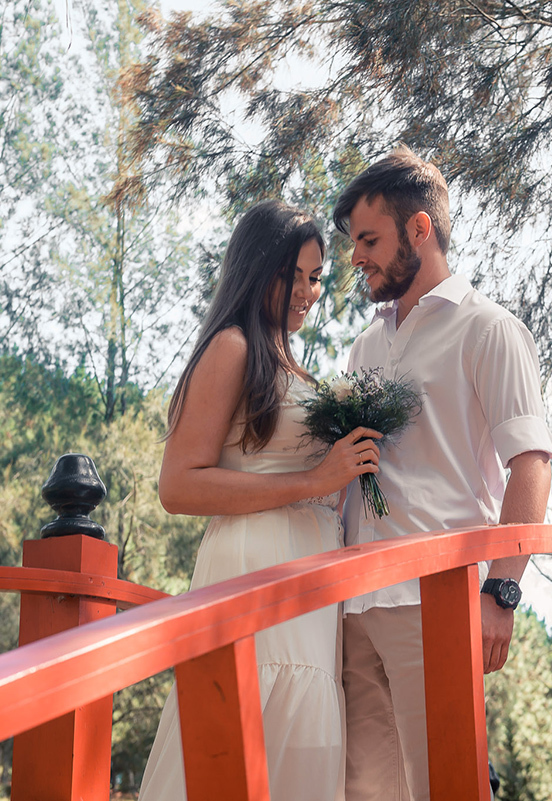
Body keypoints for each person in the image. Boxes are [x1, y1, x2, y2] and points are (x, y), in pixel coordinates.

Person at [139, 200, 381, 801]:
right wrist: (312, 481)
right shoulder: (232, 347)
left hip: (309, 582)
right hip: (253, 565)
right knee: (241, 739)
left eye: (316, 276)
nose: (306, 291)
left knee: (298, 748)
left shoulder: (288, 364)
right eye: (291, 274)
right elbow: (178, 485)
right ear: (256, 269)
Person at [334, 147, 552, 801]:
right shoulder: (366, 345)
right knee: (366, 794)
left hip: (433, 606)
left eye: (369, 240)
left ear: (420, 230)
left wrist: (502, 593)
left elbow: (532, 464)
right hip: (352, 604)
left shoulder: (490, 330)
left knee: (447, 786)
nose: (356, 258)